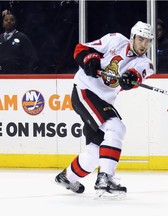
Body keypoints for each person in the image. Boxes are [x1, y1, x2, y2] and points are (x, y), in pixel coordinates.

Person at [55, 21, 154, 199]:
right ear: (132, 37)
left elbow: (136, 75)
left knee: (95, 151)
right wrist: (89, 61)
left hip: (103, 100)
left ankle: (67, 177)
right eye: (141, 39)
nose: (144, 44)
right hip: (84, 91)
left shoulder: (146, 63)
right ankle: (105, 179)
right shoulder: (114, 40)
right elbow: (80, 49)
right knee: (116, 127)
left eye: (148, 41)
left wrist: (129, 78)